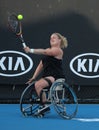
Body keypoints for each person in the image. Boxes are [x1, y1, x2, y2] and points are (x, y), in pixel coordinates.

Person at [23, 32, 68, 116]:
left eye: (54, 37)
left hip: (56, 77)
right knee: (37, 84)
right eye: (51, 38)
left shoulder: (58, 50)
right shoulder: (48, 52)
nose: (52, 39)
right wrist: (34, 77)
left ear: (59, 40)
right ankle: (44, 105)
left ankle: (44, 106)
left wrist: (30, 50)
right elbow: (41, 65)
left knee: (38, 85)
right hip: (48, 77)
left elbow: (44, 52)